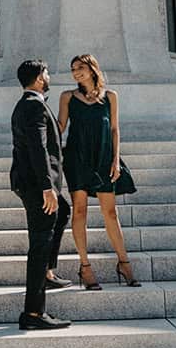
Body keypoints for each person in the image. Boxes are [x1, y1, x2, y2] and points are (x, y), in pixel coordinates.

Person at [58, 53, 139, 288]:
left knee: (110, 212)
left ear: (92, 69)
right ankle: (85, 267)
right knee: (80, 211)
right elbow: (61, 127)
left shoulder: (111, 97)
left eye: (80, 67)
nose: (76, 72)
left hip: (104, 158)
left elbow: (115, 129)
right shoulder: (67, 97)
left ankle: (124, 262)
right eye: (73, 69)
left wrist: (115, 161)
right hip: (77, 158)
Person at [9, 57, 73, 330]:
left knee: (63, 212)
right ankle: (33, 313)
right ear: (38, 78)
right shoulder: (33, 106)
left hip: (34, 182)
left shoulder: (28, 104)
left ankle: (47, 271)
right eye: (46, 72)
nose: (48, 75)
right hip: (37, 185)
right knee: (39, 243)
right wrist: (47, 187)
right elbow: (38, 148)